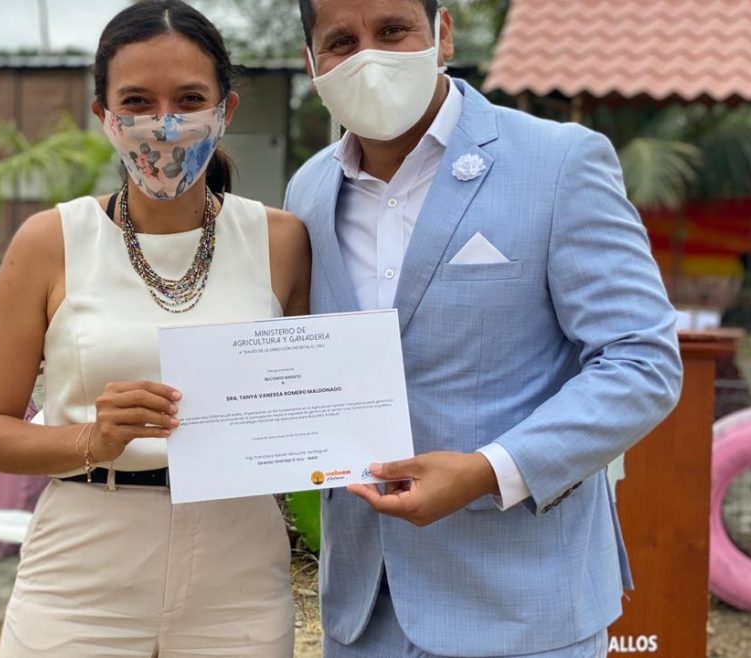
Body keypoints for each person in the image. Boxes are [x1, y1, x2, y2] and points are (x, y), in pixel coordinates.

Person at [284, 1, 684, 657]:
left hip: (521, 608)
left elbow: (642, 362)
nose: (369, 57)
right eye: (340, 41)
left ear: (442, 34)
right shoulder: (309, 191)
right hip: (362, 610)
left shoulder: (558, 162)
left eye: (392, 31)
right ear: (311, 62)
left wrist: (487, 471)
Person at [0, 1, 310, 655]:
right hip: (83, 567)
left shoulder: (281, 241)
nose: (166, 123)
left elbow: (314, 408)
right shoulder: (50, 242)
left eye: (189, 98)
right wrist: (92, 438)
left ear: (226, 110)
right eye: (137, 101)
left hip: (238, 567)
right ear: (104, 117)